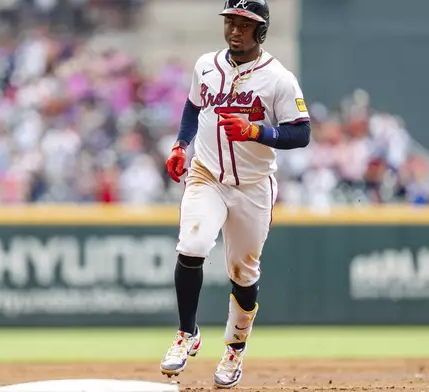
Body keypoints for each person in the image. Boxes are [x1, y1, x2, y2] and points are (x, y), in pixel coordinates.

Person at [160, 0, 311, 388]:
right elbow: (194, 107)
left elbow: (301, 132)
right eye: (230, 21)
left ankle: (234, 349)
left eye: (244, 24)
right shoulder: (205, 65)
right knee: (191, 246)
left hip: (253, 185)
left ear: (260, 30)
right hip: (207, 175)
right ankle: (186, 333)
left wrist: (256, 132)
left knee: (243, 274)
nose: (234, 30)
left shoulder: (279, 77)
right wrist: (180, 145)